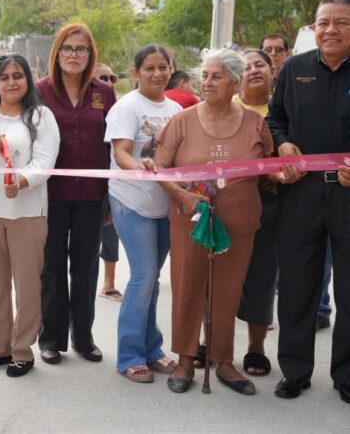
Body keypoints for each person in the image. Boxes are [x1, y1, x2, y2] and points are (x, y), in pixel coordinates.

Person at [154, 48, 282, 396]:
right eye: (205, 76)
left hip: (239, 222)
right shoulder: (182, 120)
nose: (207, 83)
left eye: (216, 76)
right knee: (187, 287)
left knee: (227, 292)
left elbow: (268, 168)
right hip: (191, 220)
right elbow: (159, 169)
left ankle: (224, 361)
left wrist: (282, 173)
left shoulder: (255, 123)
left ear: (235, 82)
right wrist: (182, 196)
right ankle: (185, 359)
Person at [268, 0, 350, 404]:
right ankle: (295, 372)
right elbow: (275, 117)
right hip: (301, 193)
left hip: (348, 197)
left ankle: (346, 376)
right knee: (298, 287)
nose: (331, 30)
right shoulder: (294, 69)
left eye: (341, 22)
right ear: (314, 28)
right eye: (323, 23)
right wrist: (281, 144)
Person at [0, 54, 59, 378]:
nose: (11, 82)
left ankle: (22, 350)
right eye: (4, 77)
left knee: (27, 282)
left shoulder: (40, 116)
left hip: (26, 210)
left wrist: (22, 181)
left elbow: (45, 161)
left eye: (18, 75)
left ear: (28, 80)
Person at [37, 22, 116, 365]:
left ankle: (83, 337)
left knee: (85, 268)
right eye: (68, 48)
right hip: (50, 194)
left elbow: (114, 145)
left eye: (81, 49)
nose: (74, 55)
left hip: (92, 195)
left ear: (90, 54)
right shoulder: (39, 91)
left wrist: (113, 195)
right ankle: (50, 338)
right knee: (52, 267)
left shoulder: (104, 92)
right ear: (57, 52)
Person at [105, 45, 181, 383]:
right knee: (143, 277)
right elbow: (121, 152)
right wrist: (140, 166)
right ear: (135, 72)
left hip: (166, 205)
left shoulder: (178, 109)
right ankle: (130, 355)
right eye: (149, 68)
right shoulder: (126, 107)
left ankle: (153, 350)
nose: (157, 74)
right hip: (131, 200)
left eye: (163, 67)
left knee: (153, 280)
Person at [232, 49, 280, 377]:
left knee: (262, 277)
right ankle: (210, 343)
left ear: (272, 70)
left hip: (271, 204)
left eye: (259, 65)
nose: (253, 71)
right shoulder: (225, 108)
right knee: (217, 274)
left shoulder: (283, 110)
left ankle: (256, 348)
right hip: (226, 201)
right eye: (246, 67)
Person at [92, 64, 122, 303]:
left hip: (112, 180)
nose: (109, 81)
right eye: (103, 77)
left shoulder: (117, 106)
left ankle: (109, 284)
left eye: (113, 77)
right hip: (80, 184)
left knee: (110, 234)